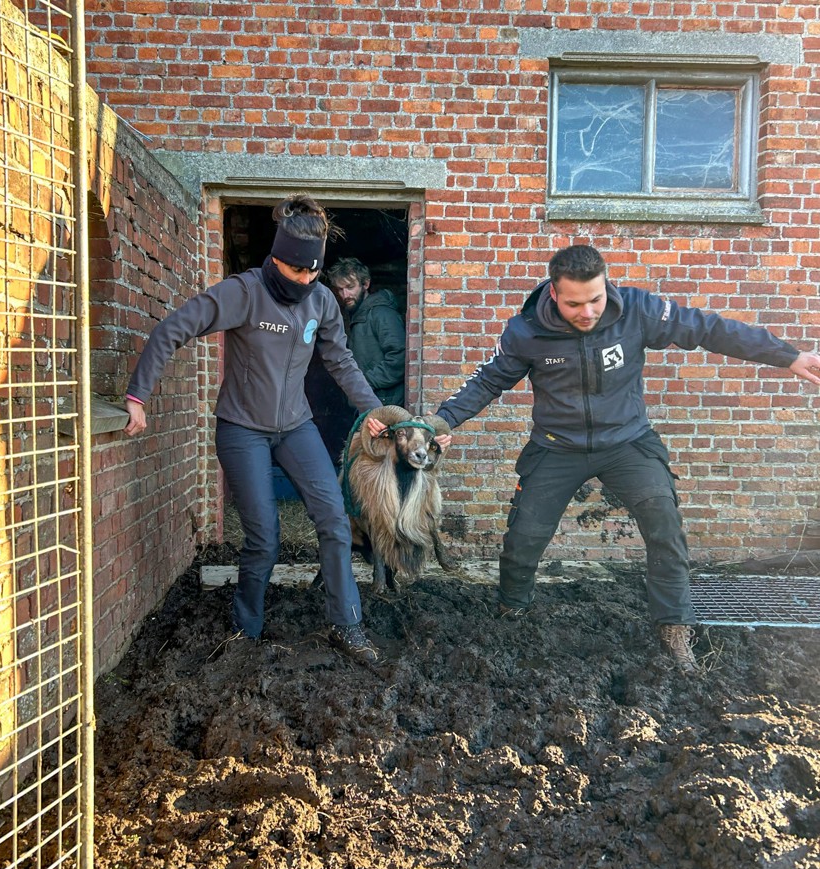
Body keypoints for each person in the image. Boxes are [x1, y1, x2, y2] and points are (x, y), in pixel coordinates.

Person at [433, 244, 820, 673]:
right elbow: (487, 381)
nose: (587, 312)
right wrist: (442, 422)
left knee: (664, 525)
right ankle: (512, 614)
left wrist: (788, 356)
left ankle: (674, 630)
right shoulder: (525, 332)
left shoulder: (638, 310)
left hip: (628, 442)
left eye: (595, 299)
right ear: (554, 294)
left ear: (607, 285)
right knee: (524, 537)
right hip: (556, 445)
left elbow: (709, 329)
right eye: (575, 303)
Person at [123, 196, 384, 665]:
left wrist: (374, 411)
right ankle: (246, 632)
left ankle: (346, 624)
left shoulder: (322, 300)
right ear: (276, 258)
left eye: (313, 273)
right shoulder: (243, 293)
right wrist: (138, 394)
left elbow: (341, 361)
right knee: (264, 534)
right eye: (296, 271)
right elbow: (174, 329)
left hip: (296, 426)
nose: (305, 281)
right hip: (242, 429)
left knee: (333, 519)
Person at [327, 257, 407, 406]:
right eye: (340, 289)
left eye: (350, 287)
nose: (345, 295)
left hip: (385, 403)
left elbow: (400, 358)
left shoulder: (382, 313)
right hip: (371, 400)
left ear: (366, 284)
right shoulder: (359, 314)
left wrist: (364, 382)